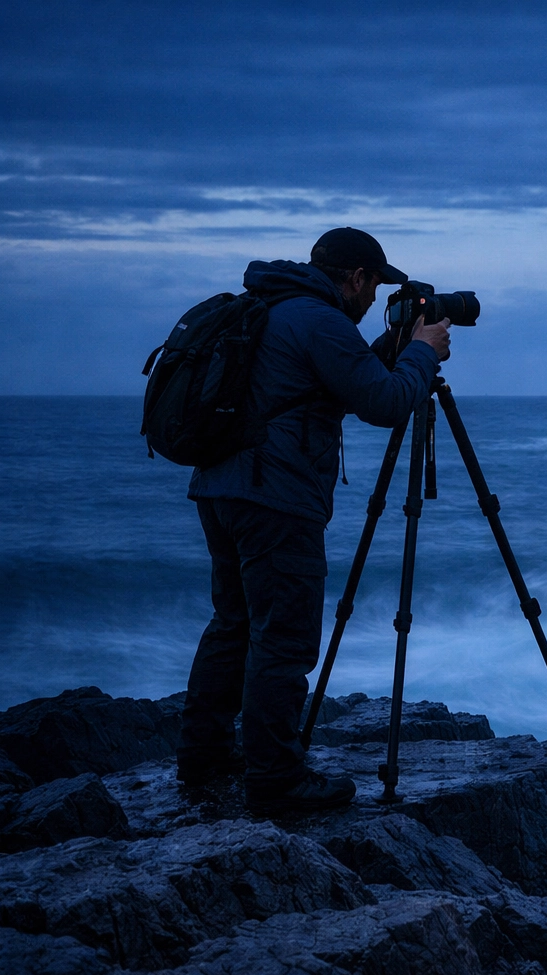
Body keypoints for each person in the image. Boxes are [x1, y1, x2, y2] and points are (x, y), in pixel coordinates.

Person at [177, 227, 451, 813]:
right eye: (375, 284)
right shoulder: (322, 320)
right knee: (284, 637)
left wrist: (394, 346)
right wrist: (424, 351)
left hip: (221, 488)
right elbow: (383, 404)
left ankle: (203, 756)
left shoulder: (274, 307)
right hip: (276, 497)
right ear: (356, 277)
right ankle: (275, 778)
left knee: (235, 622)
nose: (375, 297)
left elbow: (344, 388)